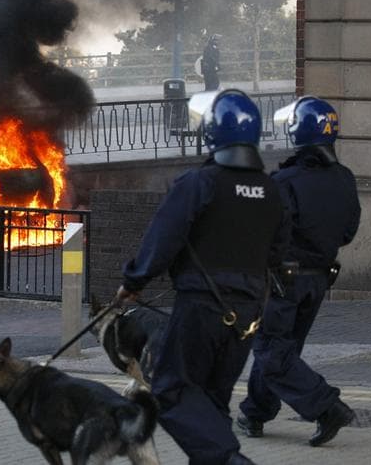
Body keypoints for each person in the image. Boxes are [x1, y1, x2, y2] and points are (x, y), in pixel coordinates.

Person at [116, 89, 290, 465]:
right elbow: (277, 252)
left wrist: (134, 282)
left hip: (202, 306)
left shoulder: (199, 183)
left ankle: (230, 461)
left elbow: (163, 236)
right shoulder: (272, 190)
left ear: (212, 133)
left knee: (172, 389)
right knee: (212, 402)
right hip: (249, 314)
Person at [237, 97, 361, 446]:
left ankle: (327, 407)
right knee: (284, 349)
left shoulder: (286, 180)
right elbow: (349, 232)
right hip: (320, 279)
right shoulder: (345, 178)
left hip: (284, 280)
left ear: (298, 131)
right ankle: (255, 413)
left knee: (270, 350)